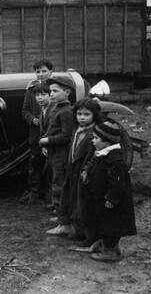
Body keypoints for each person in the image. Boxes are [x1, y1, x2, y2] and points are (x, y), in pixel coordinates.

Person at [81, 120, 137, 262]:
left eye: (96, 138)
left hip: (109, 202)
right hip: (100, 198)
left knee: (110, 225)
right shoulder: (103, 154)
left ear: (106, 142)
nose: (93, 140)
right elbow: (94, 163)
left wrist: (111, 198)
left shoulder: (115, 160)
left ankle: (110, 251)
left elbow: (118, 183)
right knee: (103, 223)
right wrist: (87, 171)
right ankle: (109, 246)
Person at [51, 98, 102, 239]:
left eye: (87, 114)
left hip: (84, 173)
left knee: (82, 202)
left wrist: (87, 170)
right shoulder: (77, 130)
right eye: (79, 114)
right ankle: (68, 225)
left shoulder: (95, 134)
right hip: (72, 170)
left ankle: (81, 231)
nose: (82, 118)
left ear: (94, 115)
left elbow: (95, 155)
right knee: (69, 197)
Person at [41, 76, 75, 236]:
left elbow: (66, 136)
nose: (51, 94)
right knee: (55, 182)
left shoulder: (67, 111)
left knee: (59, 185)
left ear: (67, 92)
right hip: (54, 151)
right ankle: (61, 215)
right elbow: (51, 128)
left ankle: (65, 223)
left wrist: (48, 140)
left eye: (55, 91)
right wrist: (47, 144)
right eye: (51, 91)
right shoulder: (56, 108)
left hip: (61, 154)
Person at [20, 60, 54, 204]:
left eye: (44, 71)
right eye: (38, 71)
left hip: (52, 133)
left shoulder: (55, 89)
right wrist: (33, 120)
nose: (41, 74)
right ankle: (33, 192)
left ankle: (50, 193)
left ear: (51, 72)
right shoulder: (31, 89)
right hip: (36, 134)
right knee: (35, 163)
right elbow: (25, 110)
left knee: (52, 164)